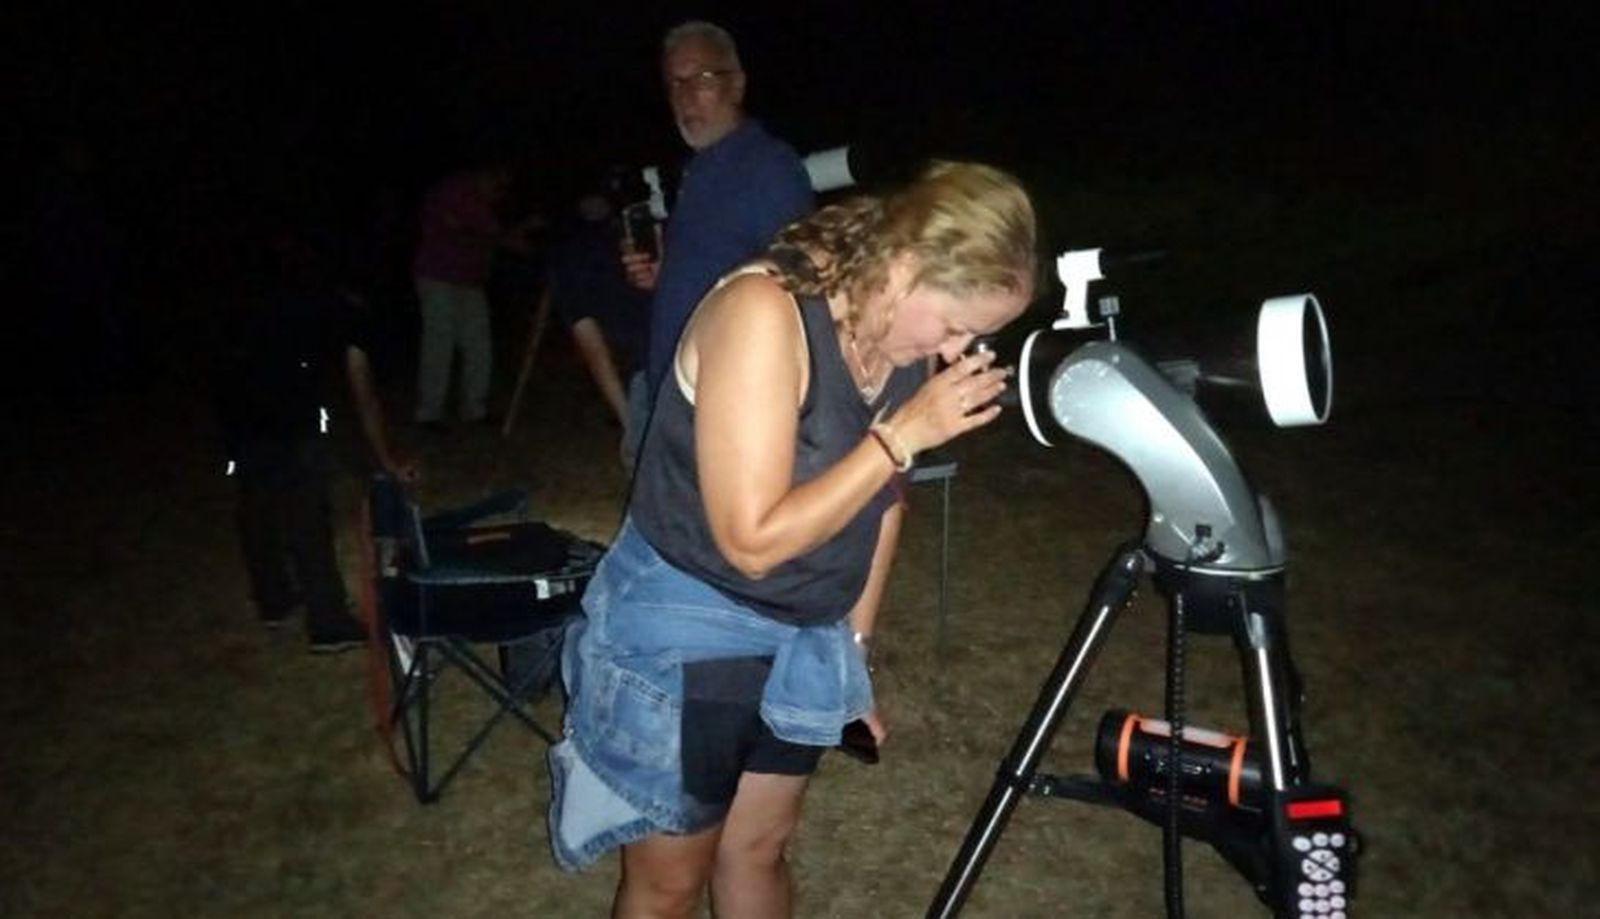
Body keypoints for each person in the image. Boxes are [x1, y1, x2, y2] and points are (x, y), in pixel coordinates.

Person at [548, 161, 1038, 918]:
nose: (955, 352)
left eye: (979, 336)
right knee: (671, 881)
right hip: (691, 624)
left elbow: (883, 502)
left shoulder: (895, 340)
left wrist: (852, 656)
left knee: (757, 850)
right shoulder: (764, 312)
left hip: (806, 634)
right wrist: (901, 437)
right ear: (903, 266)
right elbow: (750, 541)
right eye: (954, 326)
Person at [216, 225, 419, 652]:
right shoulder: (347, 312)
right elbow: (363, 395)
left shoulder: (272, 288)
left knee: (256, 498)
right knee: (306, 511)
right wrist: (386, 459)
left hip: (238, 407)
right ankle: (328, 623)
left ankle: (274, 600)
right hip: (285, 412)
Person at [622, 21, 815, 445]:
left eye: (703, 79)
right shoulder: (699, 169)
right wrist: (661, 278)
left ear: (737, 84)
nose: (685, 95)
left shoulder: (767, 168)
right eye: (675, 83)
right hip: (672, 392)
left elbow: (801, 292)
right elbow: (718, 269)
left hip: (720, 408)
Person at [411, 162, 537, 427]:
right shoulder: (455, 191)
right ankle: (430, 413)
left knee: (478, 345)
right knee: (439, 344)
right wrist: (523, 237)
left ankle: (474, 410)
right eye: (498, 184)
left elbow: (492, 236)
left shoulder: (480, 201)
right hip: (438, 277)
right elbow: (491, 234)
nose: (500, 192)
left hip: (469, 281)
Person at [545, 188, 649, 462]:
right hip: (639, 360)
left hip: (660, 353)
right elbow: (594, 349)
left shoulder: (629, 236)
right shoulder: (569, 258)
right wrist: (629, 421)